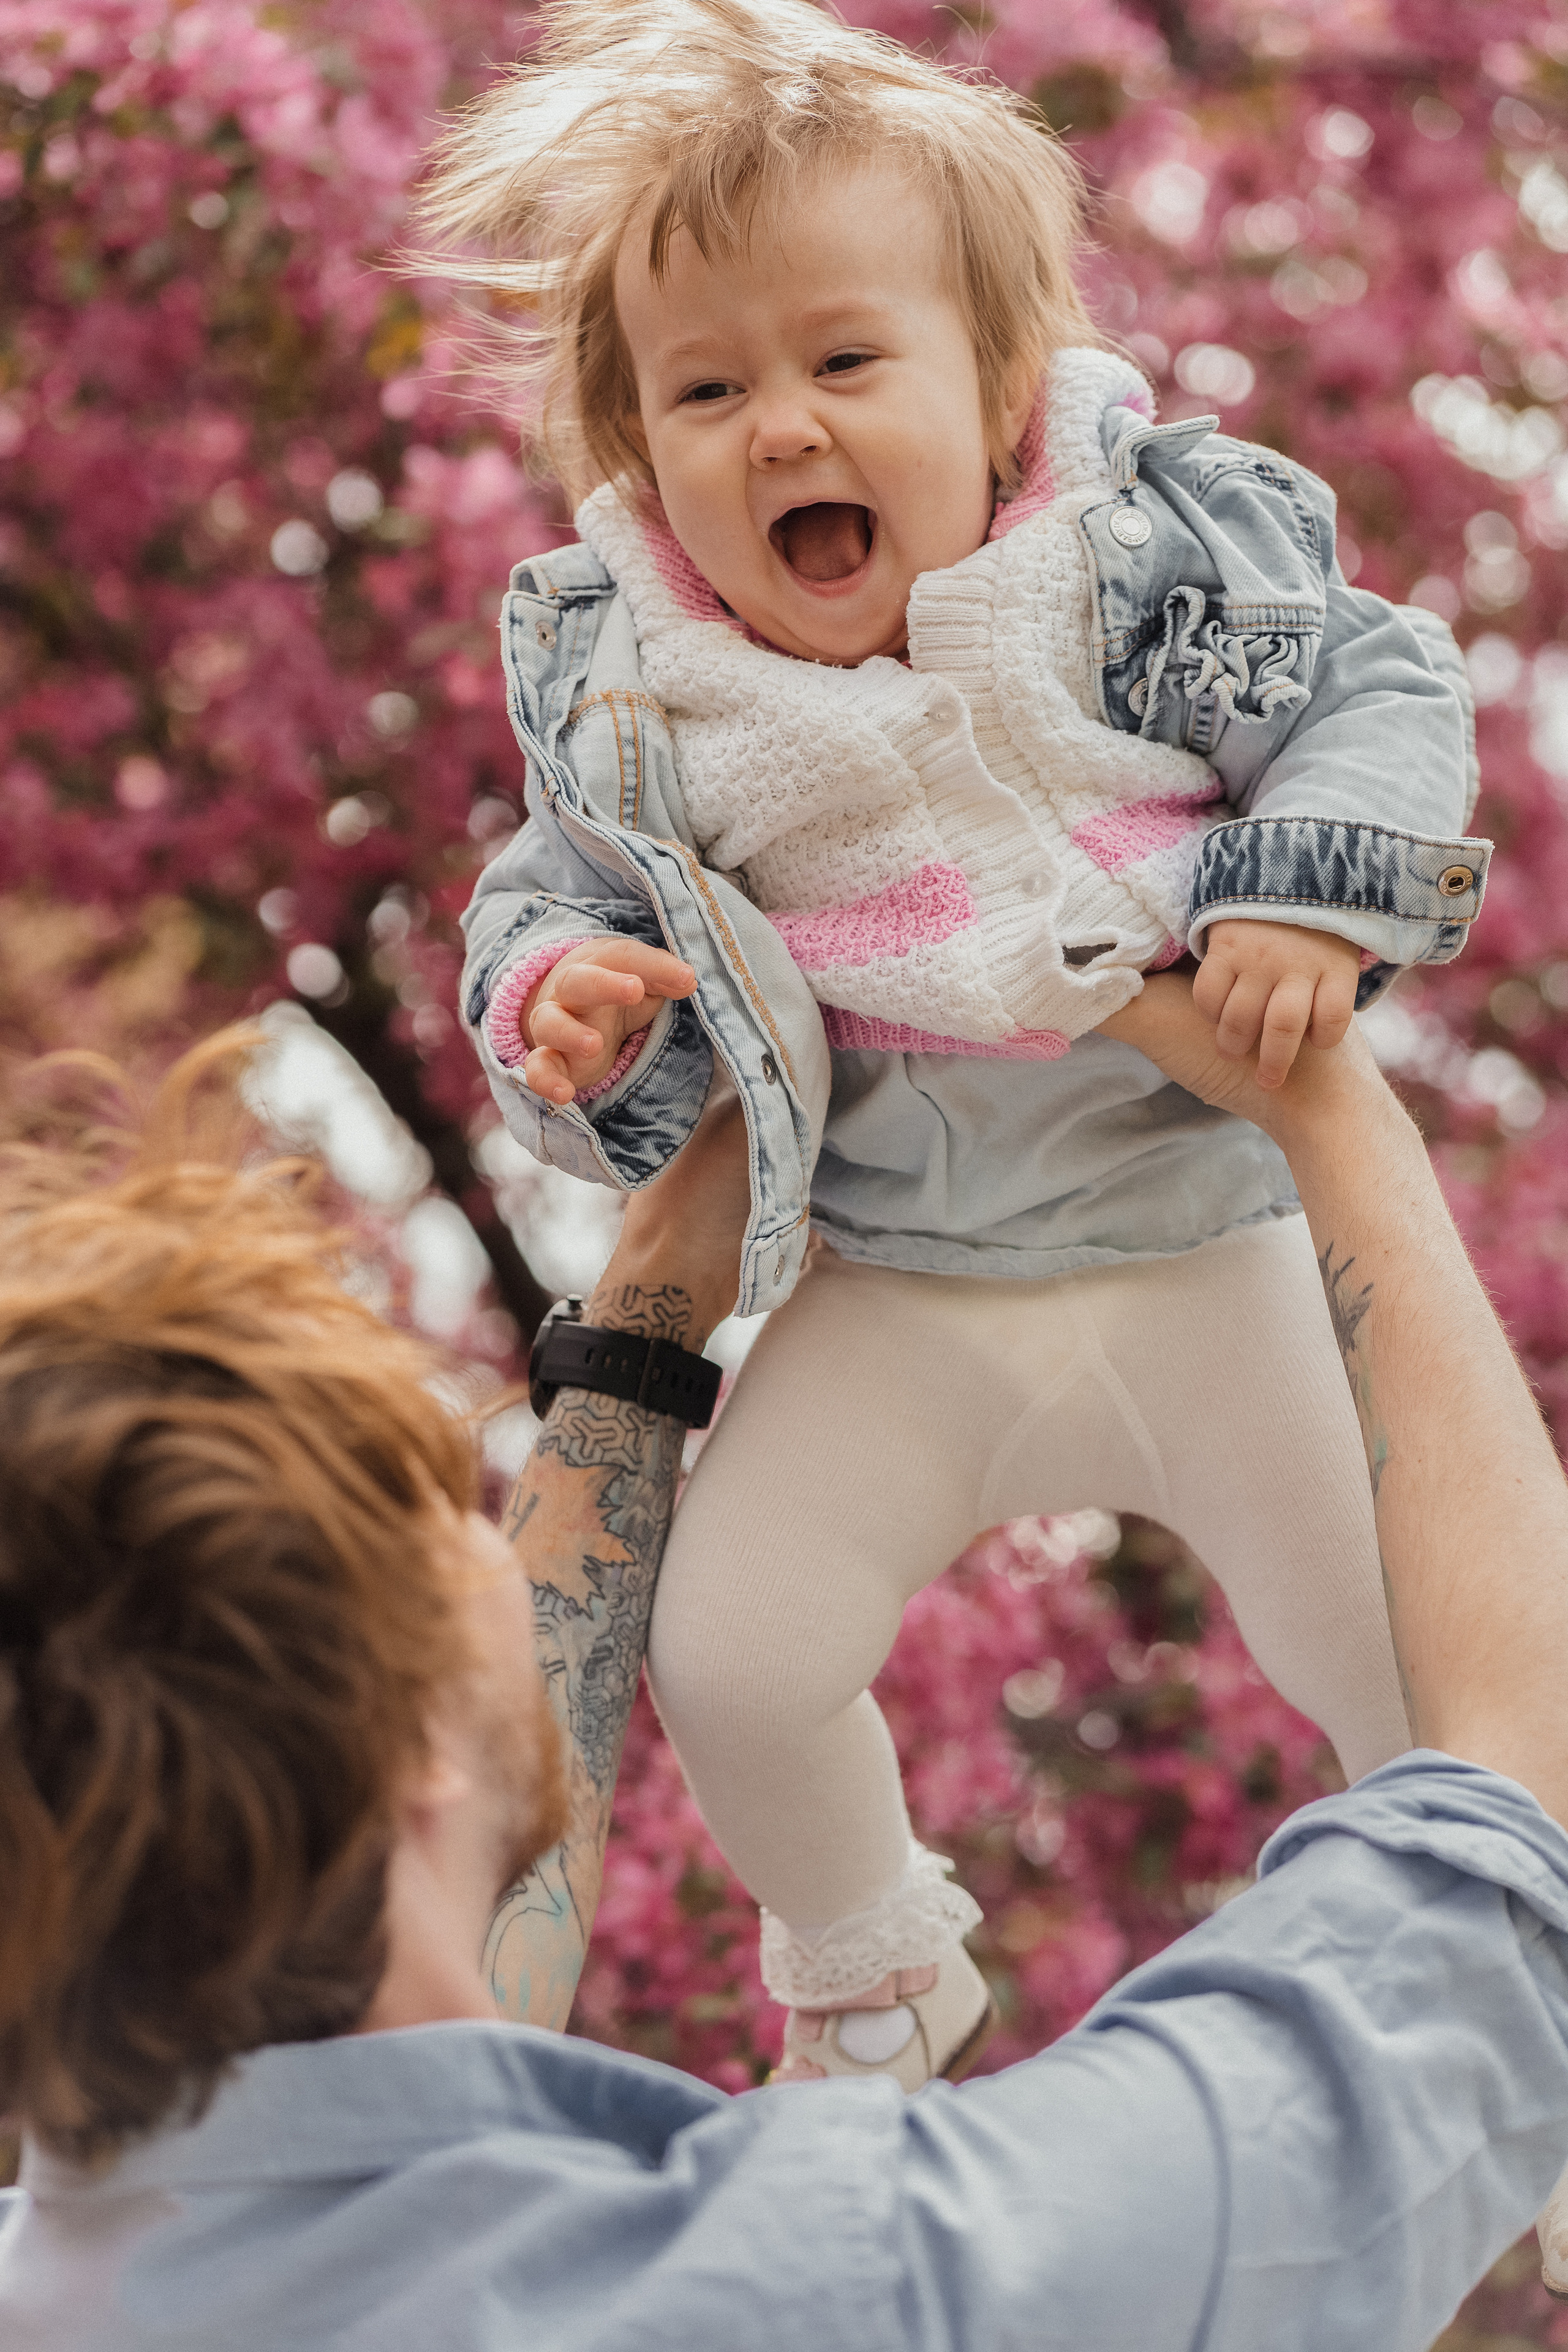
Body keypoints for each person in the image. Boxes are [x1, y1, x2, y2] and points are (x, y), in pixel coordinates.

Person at [437, 0, 1490, 2079]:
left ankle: (1498, 1994)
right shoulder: (654, 699)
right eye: (710, 390)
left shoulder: (1139, 567)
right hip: (903, 1283)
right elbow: (552, 901)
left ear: (1002, 388)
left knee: (1390, 1644)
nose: (784, 430)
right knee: (739, 1656)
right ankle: (873, 1973)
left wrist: (1295, 885)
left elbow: (1381, 687)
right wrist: (552, 1006)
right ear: (643, 456)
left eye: (845, 362)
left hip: (1202, 1246)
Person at [4, 984, 1568, 2351]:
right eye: (452, 1524)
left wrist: (651, 1299)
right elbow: (1510, 1806)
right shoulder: (880, 2287)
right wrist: (1333, 1110)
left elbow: (440, 1989)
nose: (493, 1550)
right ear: (401, 1742)